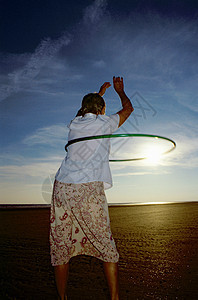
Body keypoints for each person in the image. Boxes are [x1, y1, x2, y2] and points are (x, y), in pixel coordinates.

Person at [49, 76, 134, 300]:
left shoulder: (75, 123)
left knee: (60, 244)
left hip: (62, 188)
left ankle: (62, 298)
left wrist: (99, 94)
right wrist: (120, 90)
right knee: (106, 245)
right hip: (87, 188)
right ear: (102, 110)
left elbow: (84, 110)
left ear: (84, 108)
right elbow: (129, 108)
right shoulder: (104, 122)